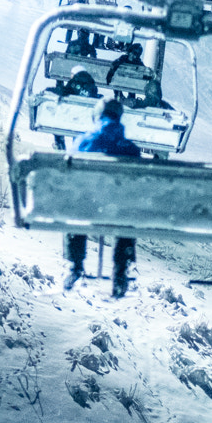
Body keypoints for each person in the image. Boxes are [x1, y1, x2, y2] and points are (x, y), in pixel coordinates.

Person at [63, 99, 143, 296]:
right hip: (119, 212)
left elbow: (70, 178)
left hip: (88, 208)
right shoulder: (131, 149)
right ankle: (121, 271)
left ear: (96, 116)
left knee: (76, 207)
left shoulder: (83, 141)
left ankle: (75, 265)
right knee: (127, 215)